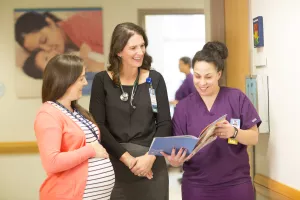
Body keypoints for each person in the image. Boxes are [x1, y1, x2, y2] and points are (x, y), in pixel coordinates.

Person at [161, 41, 261, 200]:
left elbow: (254, 137)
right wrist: (174, 161)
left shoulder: (236, 98)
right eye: (197, 76)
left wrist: (233, 132)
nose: (202, 83)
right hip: (196, 186)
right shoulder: (183, 108)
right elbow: (177, 151)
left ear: (219, 74)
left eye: (208, 77)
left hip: (236, 184)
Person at [89, 22, 172, 200]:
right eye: (133, 47)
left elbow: (165, 123)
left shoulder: (155, 79)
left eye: (142, 46)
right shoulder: (101, 81)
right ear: (118, 51)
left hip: (151, 165)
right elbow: (98, 126)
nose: (140, 52)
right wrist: (127, 159)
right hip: (115, 166)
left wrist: (149, 158)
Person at [34, 54, 115, 200]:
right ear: (65, 80)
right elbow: (51, 163)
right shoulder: (48, 114)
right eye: (81, 78)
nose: (85, 83)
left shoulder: (76, 110)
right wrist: (90, 150)